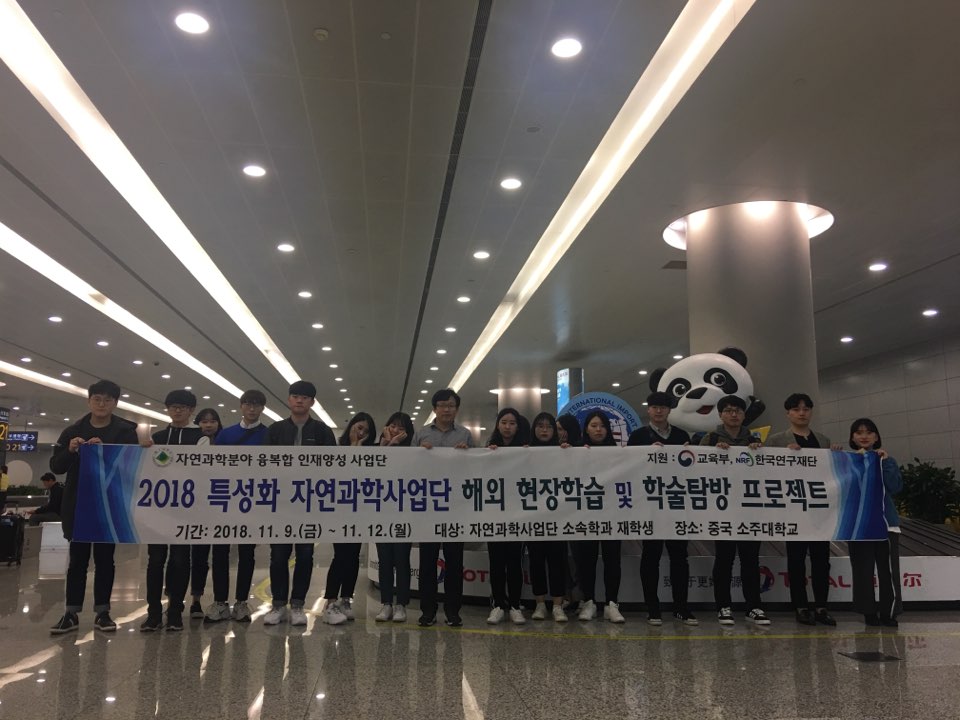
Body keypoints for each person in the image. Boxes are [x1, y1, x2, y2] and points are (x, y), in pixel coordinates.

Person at [49, 380, 139, 635]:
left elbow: (131, 466)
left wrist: (107, 453)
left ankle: (103, 612)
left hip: (108, 506)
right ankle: (71, 612)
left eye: (107, 400)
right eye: (97, 399)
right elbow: (56, 467)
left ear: (115, 403)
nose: (102, 404)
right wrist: (71, 450)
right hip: (78, 504)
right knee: (77, 560)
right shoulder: (73, 431)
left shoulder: (125, 432)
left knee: (105, 560)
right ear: (89, 401)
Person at [264, 381, 336, 626]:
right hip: (281, 503)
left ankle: (297, 605)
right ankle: (278, 605)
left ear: (312, 402)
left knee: (305, 555)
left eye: (304, 397)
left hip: (309, 504)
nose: (299, 400)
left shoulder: (322, 431)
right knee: (278, 556)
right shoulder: (275, 430)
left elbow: (332, 466)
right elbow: (264, 463)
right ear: (288, 399)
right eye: (295, 396)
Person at [766, 393, 840, 626]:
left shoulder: (824, 441)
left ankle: (821, 607)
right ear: (787, 413)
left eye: (806, 409)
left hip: (819, 511)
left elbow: (831, 474)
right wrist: (784, 456)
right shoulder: (776, 441)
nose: (801, 413)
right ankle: (800, 606)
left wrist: (837, 456)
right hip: (793, 510)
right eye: (796, 409)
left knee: (822, 561)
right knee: (796, 560)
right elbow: (766, 473)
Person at [627, 392, 698, 626]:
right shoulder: (638, 436)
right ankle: (652, 608)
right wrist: (646, 454)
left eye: (663, 407)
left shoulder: (681, 435)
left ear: (669, 410)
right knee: (651, 555)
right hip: (650, 503)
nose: (659, 411)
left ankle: (681, 607)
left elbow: (690, 469)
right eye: (655, 407)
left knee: (680, 556)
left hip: (677, 502)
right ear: (648, 409)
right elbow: (629, 467)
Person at [701, 394, 768, 626]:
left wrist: (759, 452)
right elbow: (698, 471)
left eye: (738, 410)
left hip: (750, 509)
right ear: (720, 415)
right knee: (724, 559)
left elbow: (767, 472)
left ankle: (754, 606)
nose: (733, 414)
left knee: (750, 560)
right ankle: (723, 606)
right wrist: (714, 453)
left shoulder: (754, 439)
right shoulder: (710, 439)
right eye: (728, 410)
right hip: (723, 509)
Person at [203, 392, 268, 623]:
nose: (252, 408)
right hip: (224, 498)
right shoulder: (226, 434)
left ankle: (241, 602)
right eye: (248, 404)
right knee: (220, 552)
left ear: (262, 408)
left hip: (252, 500)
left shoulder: (269, 434)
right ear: (241, 406)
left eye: (257, 405)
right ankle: (220, 602)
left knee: (247, 553)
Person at [141, 390, 204, 632]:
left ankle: (176, 610)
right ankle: (153, 612)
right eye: (173, 406)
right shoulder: (157, 437)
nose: (177, 411)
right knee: (155, 561)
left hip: (187, 510)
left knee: (180, 559)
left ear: (191, 410)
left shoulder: (201, 437)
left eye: (183, 407)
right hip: (158, 509)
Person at [415, 388, 473, 628]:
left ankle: (453, 611)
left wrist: (467, 455)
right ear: (434, 408)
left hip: (455, 506)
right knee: (427, 561)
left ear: (456, 409)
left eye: (451, 405)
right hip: (428, 505)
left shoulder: (465, 434)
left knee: (454, 561)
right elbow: (409, 466)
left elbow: (476, 467)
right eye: (442, 405)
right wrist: (420, 454)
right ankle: (427, 611)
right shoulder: (421, 434)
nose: (446, 409)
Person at [321, 412, 376, 625]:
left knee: (353, 556)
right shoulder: (336, 448)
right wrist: (353, 448)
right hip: (339, 511)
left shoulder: (370, 452)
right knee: (340, 555)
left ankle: (346, 599)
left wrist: (360, 448)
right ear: (351, 425)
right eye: (359, 427)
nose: (361, 432)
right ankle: (330, 602)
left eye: (366, 431)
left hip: (360, 512)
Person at [847, 418, 903, 627]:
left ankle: (889, 612)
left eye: (869, 432)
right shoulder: (847, 461)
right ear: (852, 437)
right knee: (862, 569)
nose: (864, 436)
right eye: (859, 432)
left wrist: (886, 463)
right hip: (858, 525)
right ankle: (868, 612)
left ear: (876, 437)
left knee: (888, 570)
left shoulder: (886, 460)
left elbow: (895, 487)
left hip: (885, 523)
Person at [573, 410, 625, 623]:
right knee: (587, 559)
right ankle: (589, 602)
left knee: (612, 559)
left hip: (612, 513)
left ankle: (612, 603)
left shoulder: (619, 453)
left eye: (602, 426)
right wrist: (567, 453)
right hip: (586, 513)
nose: (598, 430)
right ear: (586, 429)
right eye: (593, 425)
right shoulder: (576, 452)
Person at [484, 408, 529, 625]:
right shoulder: (488, 449)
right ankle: (498, 605)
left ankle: (515, 605)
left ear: (518, 426)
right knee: (496, 562)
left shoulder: (526, 450)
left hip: (517, 515)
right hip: (494, 514)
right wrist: (488, 455)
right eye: (504, 422)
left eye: (512, 423)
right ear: (498, 425)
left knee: (514, 562)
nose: (507, 427)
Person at [527, 412, 570, 622]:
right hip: (532, 516)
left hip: (558, 517)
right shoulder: (524, 452)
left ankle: (558, 605)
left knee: (557, 560)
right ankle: (540, 604)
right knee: (536, 560)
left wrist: (571, 454)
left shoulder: (564, 452)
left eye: (549, 426)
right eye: (540, 425)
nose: (544, 430)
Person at [374, 412, 415, 623]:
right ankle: (386, 603)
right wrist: (388, 446)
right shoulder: (377, 449)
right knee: (385, 560)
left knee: (401, 560)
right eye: (392, 426)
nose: (396, 430)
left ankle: (401, 604)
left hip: (404, 513)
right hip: (381, 513)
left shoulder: (412, 452)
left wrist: (395, 446)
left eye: (401, 428)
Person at [188, 407, 223, 617]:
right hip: (197, 508)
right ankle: (196, 600)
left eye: (212, 421)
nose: (208, 425)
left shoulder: (226, 443)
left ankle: (220, 601)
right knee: (198, 557)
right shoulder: (190, 442)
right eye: (204, 421)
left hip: (221, 507)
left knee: (220, 557)